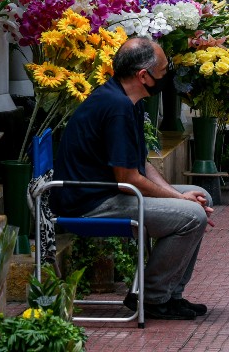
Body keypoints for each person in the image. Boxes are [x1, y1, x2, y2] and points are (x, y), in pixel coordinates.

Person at [52, 37, 214, 321]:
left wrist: (183, 196)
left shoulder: (130, 100)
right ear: (144, 76)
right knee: (192, 215)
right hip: (91, 202)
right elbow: (128, 177)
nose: (167, 76)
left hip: (111, 190)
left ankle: (171, 295)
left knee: (201, 196)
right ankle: (152, 297)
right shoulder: (118, 108)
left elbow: (140, 165)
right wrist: (179, 200)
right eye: (164, 70)